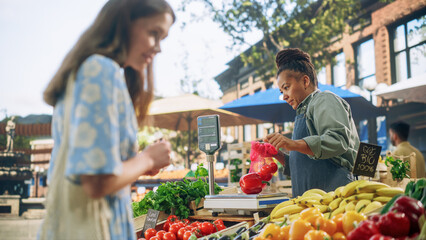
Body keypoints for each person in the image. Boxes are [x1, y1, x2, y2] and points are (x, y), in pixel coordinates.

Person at [39, 0, 175, 239]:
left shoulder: (84, 71)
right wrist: (146, 158)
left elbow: (90, 171)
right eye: (154, 33)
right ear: (124, 23)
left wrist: (138, 163)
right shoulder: (100, 70)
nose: (158, 48)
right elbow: (96, 182)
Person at [264, 48, 359, 197]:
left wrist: (292, 144)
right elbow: (302, 164)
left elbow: (338, 140)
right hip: (309, 202)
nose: (284, 97)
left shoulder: (325, 99)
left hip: (334, 198)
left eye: (286, 88)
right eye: (282, 92)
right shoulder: (303, 111)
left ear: (305, 81)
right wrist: (277, 154)